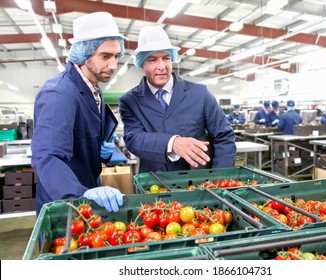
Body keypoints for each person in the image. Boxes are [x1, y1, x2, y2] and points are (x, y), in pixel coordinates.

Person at [31, 12, 127, 215]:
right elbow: (48, 157)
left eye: (116, 56)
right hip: (64, 202)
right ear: (83, 54)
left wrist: (101, 149)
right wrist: (78, 193)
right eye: (105, 56)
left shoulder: (93, 88)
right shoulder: (58, 94)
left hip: (86, 192)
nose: (113, 65)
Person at [119, 25, 236, 173]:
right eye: (153, 60)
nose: (161, 66)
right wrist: (172, 143)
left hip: (197, 182)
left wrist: (219, 177)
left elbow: (224, 136)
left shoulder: (200, 93)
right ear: (141, 63)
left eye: (166, 58)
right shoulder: (130, 101)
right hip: (154, 182)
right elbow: (134, 139)